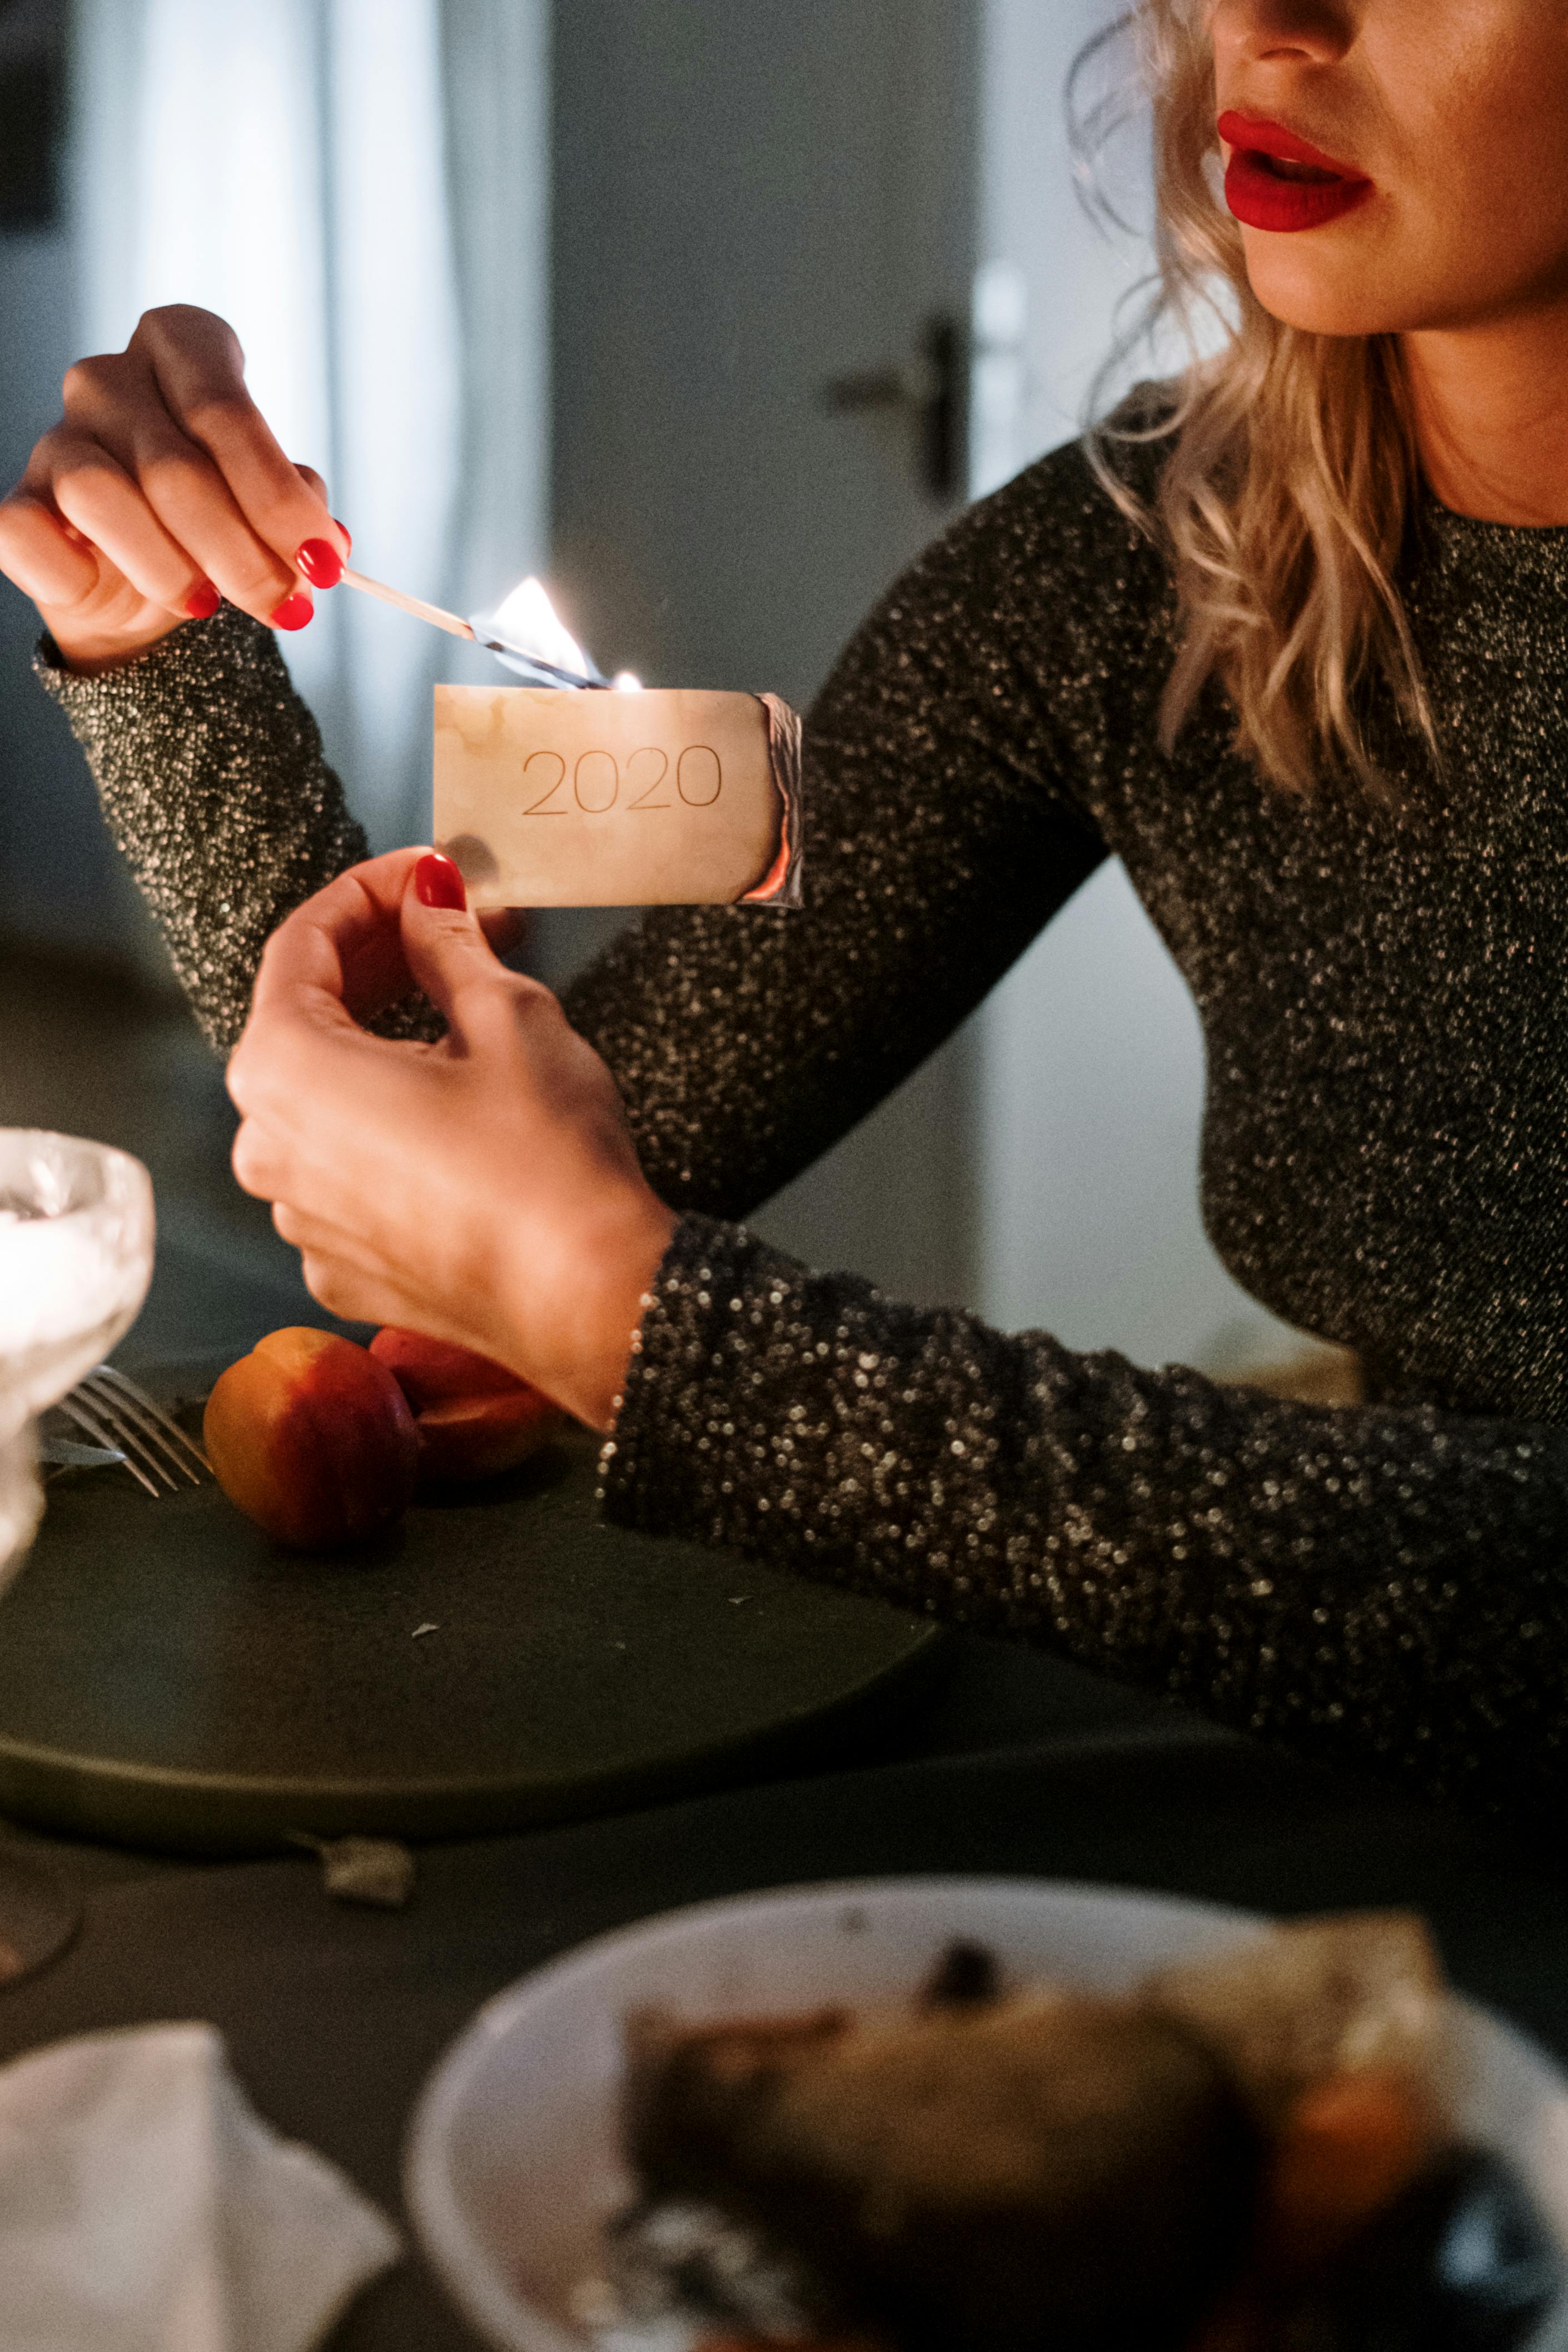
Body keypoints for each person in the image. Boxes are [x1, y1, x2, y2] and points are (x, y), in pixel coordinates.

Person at [5, 0, 1568, 1825]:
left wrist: (638, 1328)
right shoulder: (1161, 558)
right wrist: (154, 635)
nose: (1258, 18)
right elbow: (466, 1134)